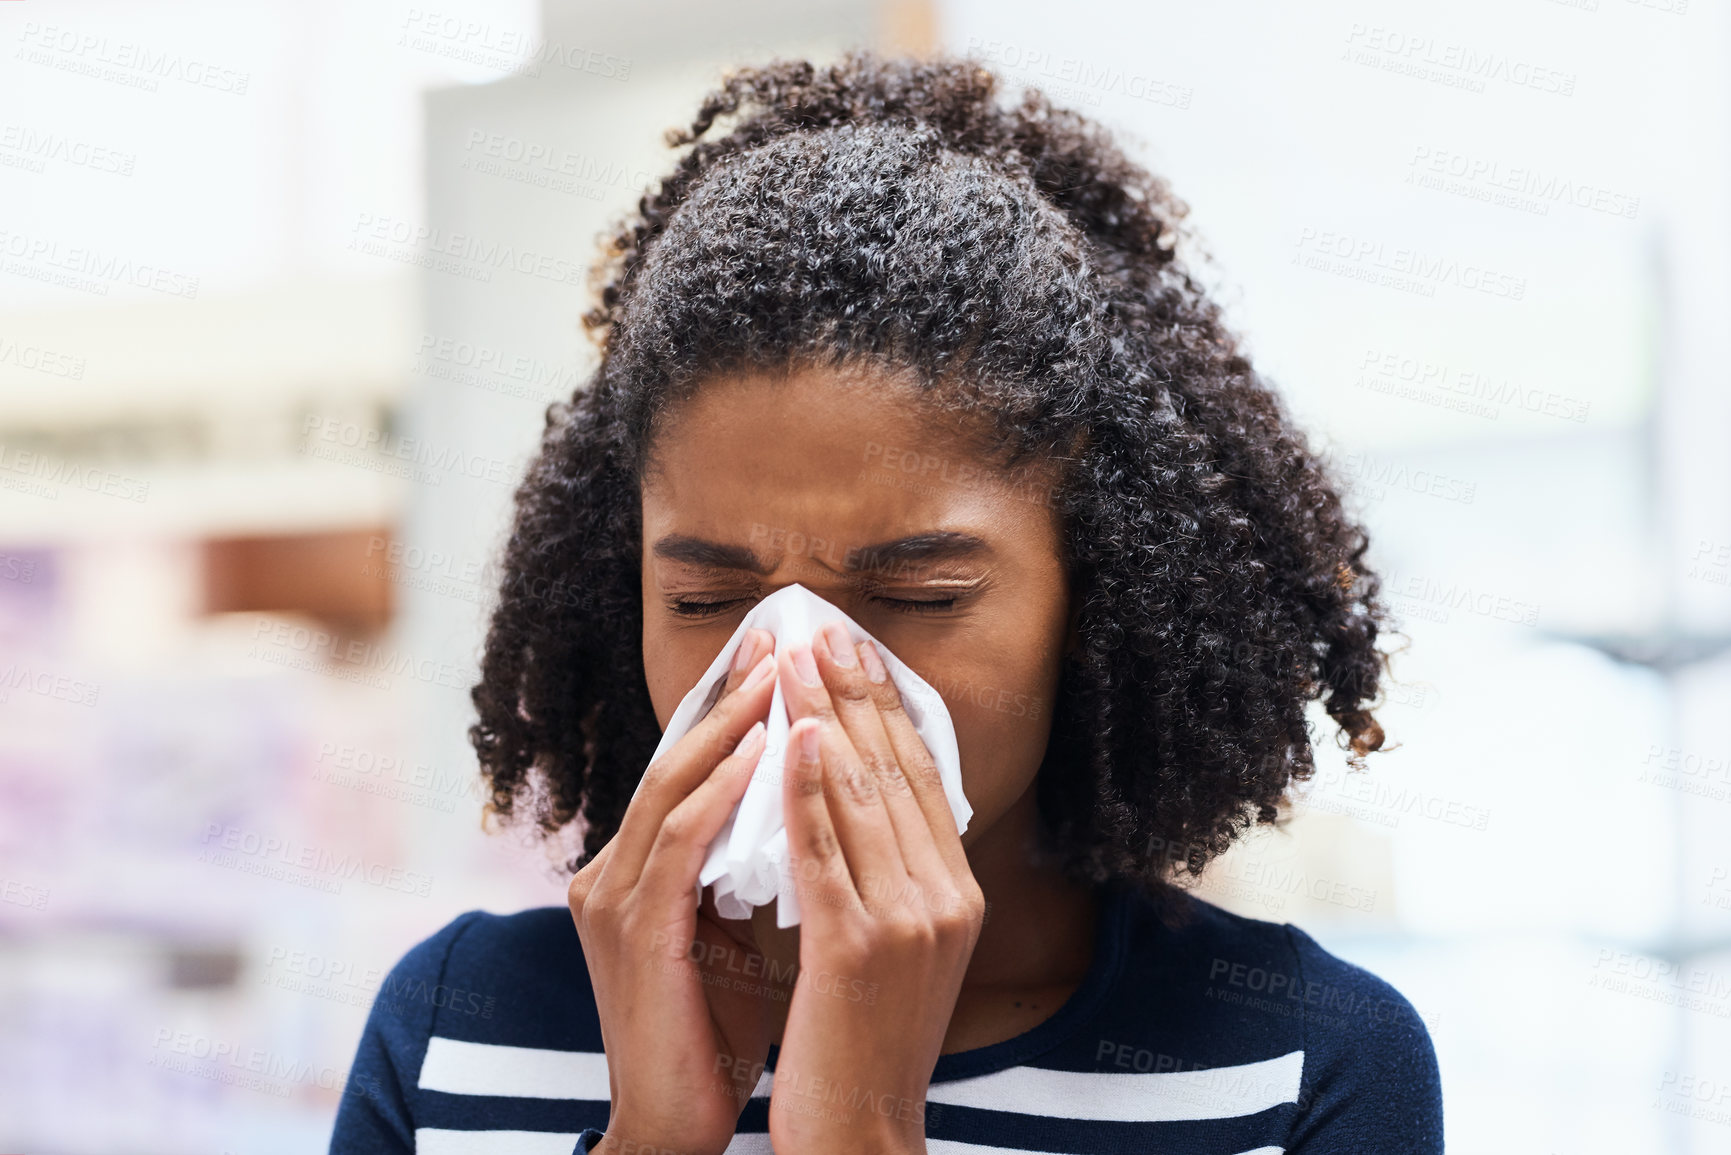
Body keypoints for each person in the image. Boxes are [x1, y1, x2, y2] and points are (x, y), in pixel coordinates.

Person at [330, 50, 1443, 1155]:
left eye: (920, 594)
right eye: (708, 596)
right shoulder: (451, 1029)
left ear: (1099, 606)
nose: (799, 669)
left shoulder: (1301, 1066)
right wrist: (655, 1137)